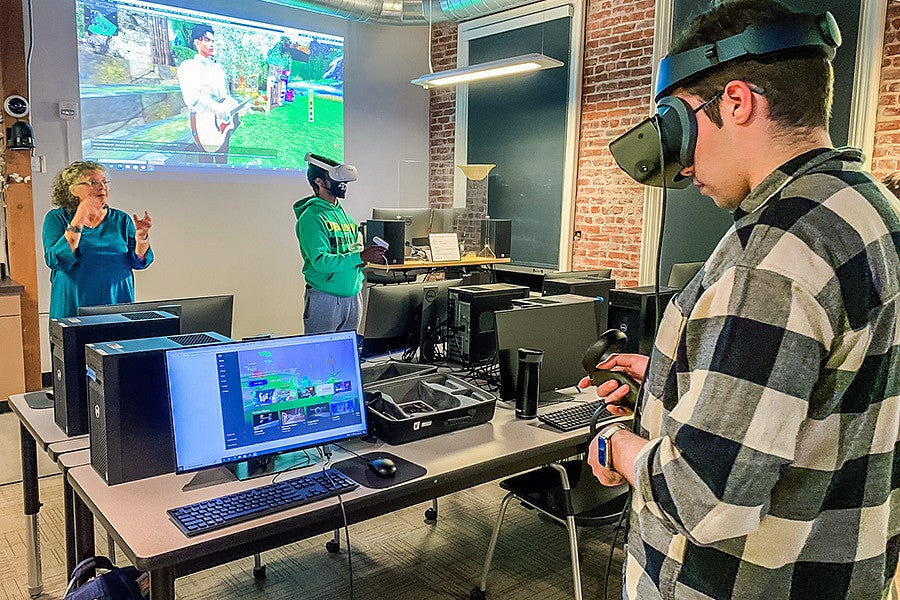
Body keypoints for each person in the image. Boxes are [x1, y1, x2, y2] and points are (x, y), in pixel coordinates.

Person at [585, 2, 900, 599]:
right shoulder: (871, 211)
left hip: (742, 582)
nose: (681, 169)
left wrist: (614, 444)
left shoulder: (775, 255)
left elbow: (705, 497)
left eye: (677, 126)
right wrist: (669, 378)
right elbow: (826, 395)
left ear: (737, 101)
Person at [42, 161, 154, 319]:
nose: (101, 186)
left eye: (104, 182)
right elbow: (57, 260)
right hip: (74, 301)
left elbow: (139, 261)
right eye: (93, 182)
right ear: (72, 189)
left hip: (117, 300)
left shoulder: (121, 219)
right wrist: (80, 215)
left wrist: (142, 237)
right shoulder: (57, 218)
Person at [293, 153, 386, 334]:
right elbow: (321, 262)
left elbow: (353, 254)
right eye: (335, 179)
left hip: (352, 295)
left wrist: (365, 258)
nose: (342, 184)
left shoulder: (346, 217)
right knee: (321, 356)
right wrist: (360, 256)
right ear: (319, 182)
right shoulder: (311, 218)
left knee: (347, 356)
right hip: (325, 297)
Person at [177, 24, 242, 163]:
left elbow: (226, 95)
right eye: (207, 40)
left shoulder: (218, 68)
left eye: (213, 41)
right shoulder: (189, 67)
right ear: (197, 42)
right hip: (204, 126)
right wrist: (218, 108)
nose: (211, 44)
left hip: (223, 125)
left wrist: (232, 103)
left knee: (223, 163)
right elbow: (192, 99)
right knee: (205, 167)